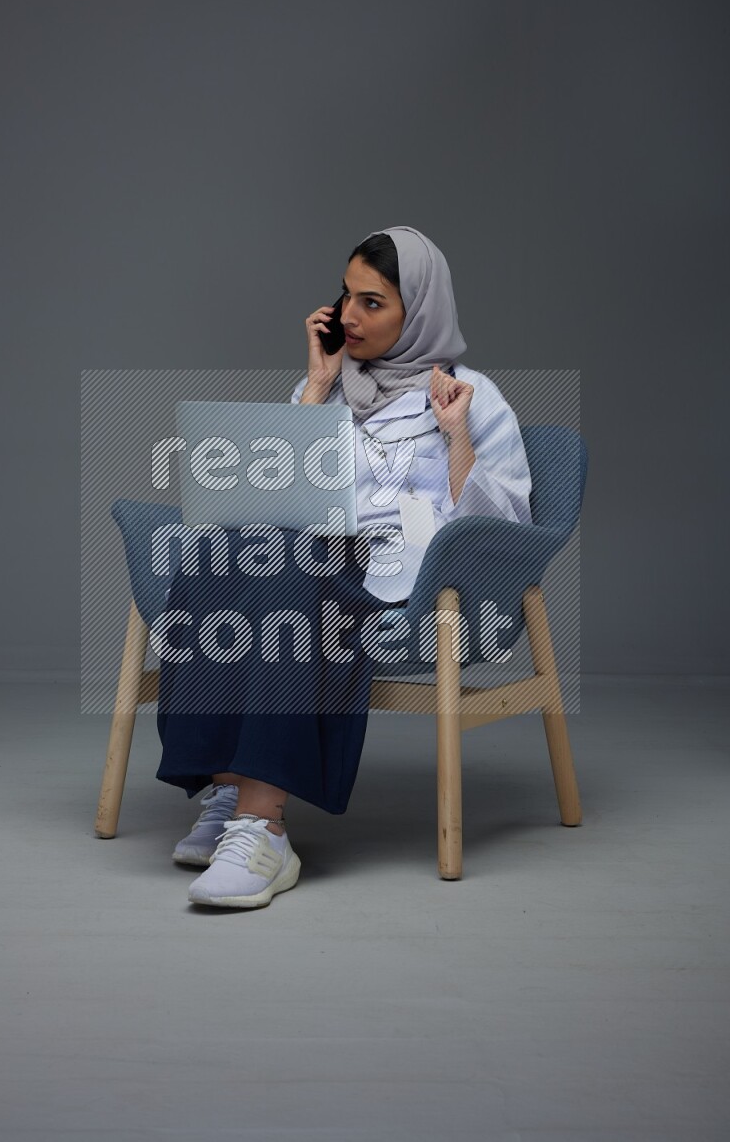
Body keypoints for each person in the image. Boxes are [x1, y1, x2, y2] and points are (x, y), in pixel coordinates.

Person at [156, 225, 532, 909]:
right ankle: (228, 785)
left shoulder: (471, 394)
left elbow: (496, 524)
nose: (349, 317)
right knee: (214, 553)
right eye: (345, 296)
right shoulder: (325, 384)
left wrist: (455, 434)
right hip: (315, 555)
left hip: (405, 582)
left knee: (292, 572)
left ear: (417, 311)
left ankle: (262, 826)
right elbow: (271, 496)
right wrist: (319, 385)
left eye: (373, 302)